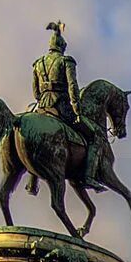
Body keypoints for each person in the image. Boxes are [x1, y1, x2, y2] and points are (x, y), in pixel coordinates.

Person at [31, 21, 104, 190]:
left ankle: (32, 180)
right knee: (94, 137)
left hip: (42, 106)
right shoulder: (66, 61)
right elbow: (72, 86)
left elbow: (35, 91)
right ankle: (88, 177)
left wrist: (43, 100)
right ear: (62, 47)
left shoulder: (38, 63)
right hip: (61, 107)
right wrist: (77, 109)